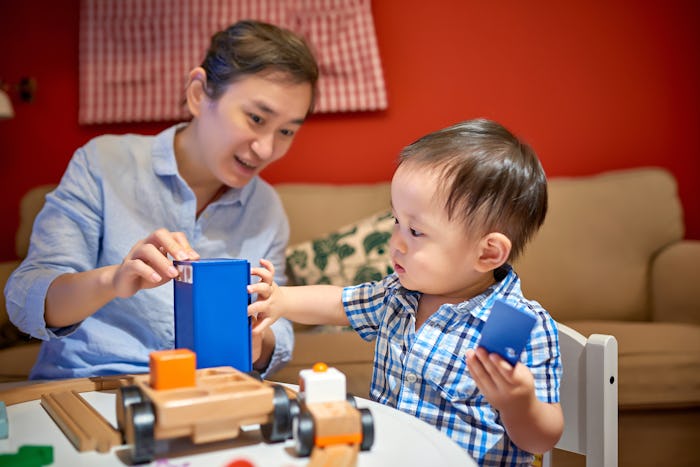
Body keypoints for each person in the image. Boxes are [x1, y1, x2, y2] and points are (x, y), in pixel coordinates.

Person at [5, 20, 319, 380]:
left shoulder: (266, 208)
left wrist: (258, 341)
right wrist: (113, 281)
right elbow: (26, 298)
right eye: (256, 118)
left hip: (206, 393)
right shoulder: (103, 163)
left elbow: (275, 325)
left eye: (286, 131)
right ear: (199, 93)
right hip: (94, 386)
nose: (265, 148)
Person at [248, 119, 564, 465]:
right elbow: (338, 302)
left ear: (487, 253)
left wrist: (518, 403)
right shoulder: (398, 295)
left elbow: (541, 438)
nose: (395, 242)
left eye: (416, 231)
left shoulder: (519, 326)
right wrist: (282, 299)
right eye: (396, 221)